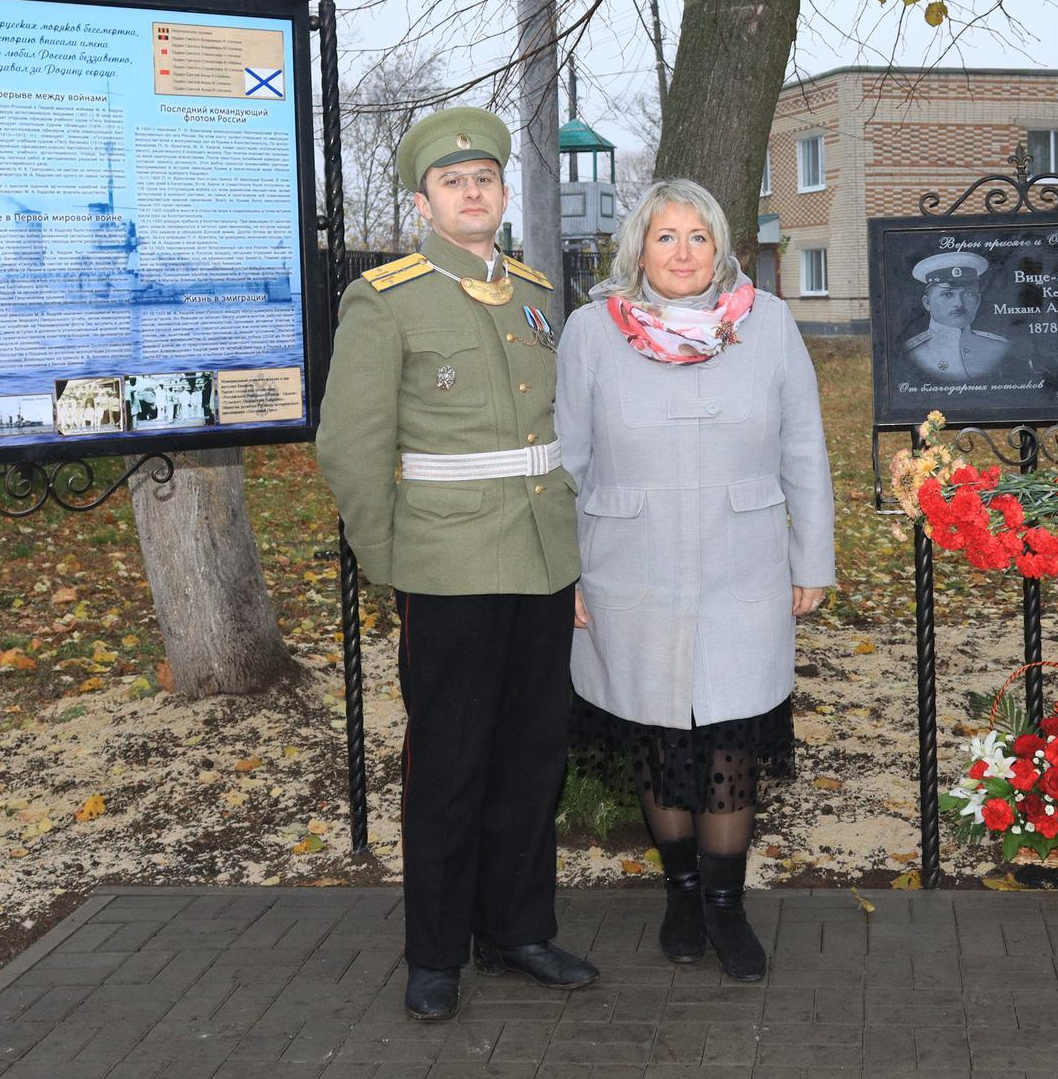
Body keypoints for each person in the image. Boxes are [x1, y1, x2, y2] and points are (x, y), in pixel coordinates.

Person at [315, 106, 598, 1021]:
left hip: (543, 554)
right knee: (448, 761)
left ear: (503, 192)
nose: (472, 191)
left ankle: (518, 929)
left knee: (532, 756)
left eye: (485, 177)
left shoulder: (534, 290)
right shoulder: (385, 299)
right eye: (453, 181)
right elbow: (350, 447)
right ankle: (435, 952)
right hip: (446, 563)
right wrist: (392, 560)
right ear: (423, 202)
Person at [558, 179, 836, 982]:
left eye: (698, 237)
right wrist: (564, 575)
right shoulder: (590, 332)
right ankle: (681, 892)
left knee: (728, 738)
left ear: (722, 248)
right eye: (665, 236)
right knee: (658, 739)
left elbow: (804, 448)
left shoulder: (769, 323)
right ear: (638, 247)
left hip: (741, 564)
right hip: (625, 566)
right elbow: (567, 461)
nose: (682, 253)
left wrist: (812, 557)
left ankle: (726, 903)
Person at [903, 251, 1013, 379]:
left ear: (978, 300)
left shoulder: (999, 348)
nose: (959, 303)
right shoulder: (912, 353)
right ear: (927, 303)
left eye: (968, 294)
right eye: (948, 294)